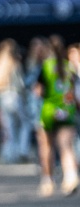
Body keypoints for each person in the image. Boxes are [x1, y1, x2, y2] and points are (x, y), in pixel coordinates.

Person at [35, 34, 79, 197]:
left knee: (46, 147)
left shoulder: (46, 66)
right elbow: (73, 91)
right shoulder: (69, 68)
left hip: (49, 112)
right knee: (66, 147)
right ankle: (71, 177)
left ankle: (47, 180)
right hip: (67, 111)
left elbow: (38, 91)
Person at [0, 40, 29, 164]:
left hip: (1, 97)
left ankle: (9, 153)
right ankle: (22, 150)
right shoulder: (14, 63)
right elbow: (21, 84)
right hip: (14, 96)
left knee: (8, 128)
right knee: (24, 124)